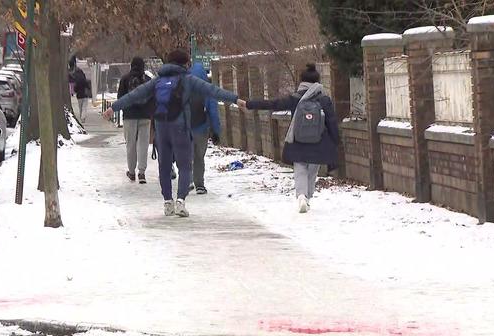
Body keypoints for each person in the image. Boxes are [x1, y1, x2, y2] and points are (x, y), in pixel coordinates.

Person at [103, 49, 243, 217]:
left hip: (161, 127)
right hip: (180, 127)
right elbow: (212, 91)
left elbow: (134, 95)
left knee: (164, 165)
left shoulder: (157, 81)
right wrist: (235, 99)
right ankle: (181, 201)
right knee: (184, 166)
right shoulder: (188, 79)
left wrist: (114, 107)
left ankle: (167, 202)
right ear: (185, 64)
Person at [244, 63, 339, 213]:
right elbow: (332, 121)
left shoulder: (295, 98)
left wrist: (250, 104)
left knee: (300, 168)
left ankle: (301, 196)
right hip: (318, 141)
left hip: (298, 140)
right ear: (317, 82)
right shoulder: (324, 99)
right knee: (312, 169)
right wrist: (335, 141)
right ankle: (308, 197)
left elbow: (273, 104)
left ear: (301, 81)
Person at [118, 57, 153, 184]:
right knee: (143, 145)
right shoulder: (148, 80)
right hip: (145, 116)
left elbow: (120, 98)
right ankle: (142, 172)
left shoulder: (125, 79)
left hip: (129, 116)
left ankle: (131, 172)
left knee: (130, 144)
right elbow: (152, 98)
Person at [188, 62, 221, 195]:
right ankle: (199, 184)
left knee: (186, 156)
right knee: (199, 157)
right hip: (201, 128)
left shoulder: (181, 86)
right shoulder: (207, 88)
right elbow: (213, 111)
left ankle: (187, 180)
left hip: (184, 128)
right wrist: (216, 131)